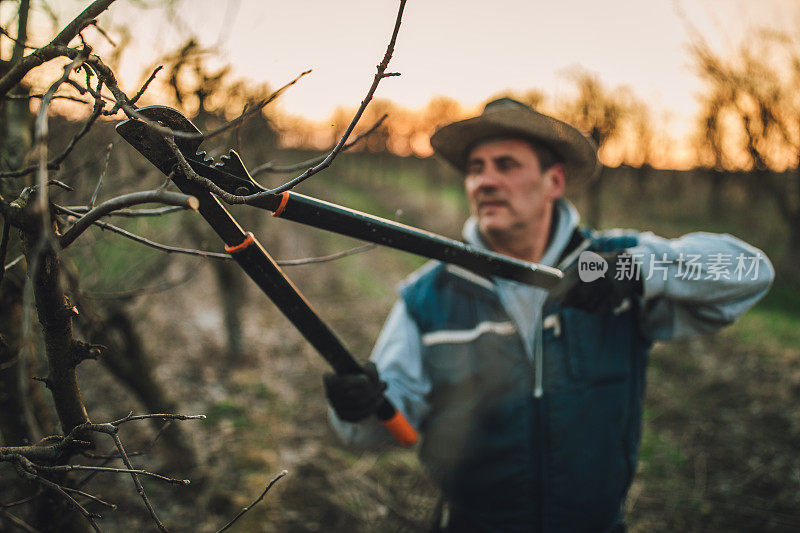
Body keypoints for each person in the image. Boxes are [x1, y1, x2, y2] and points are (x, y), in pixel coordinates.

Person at [322, 98, 774, 532]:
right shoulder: (428, 295)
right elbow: (370, 435)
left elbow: (752, 271)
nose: (484, 182)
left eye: (507, 165)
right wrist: (359, 410)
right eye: (476, 169)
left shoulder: (613, 261)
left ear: (554, 182)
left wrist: (639, 269)